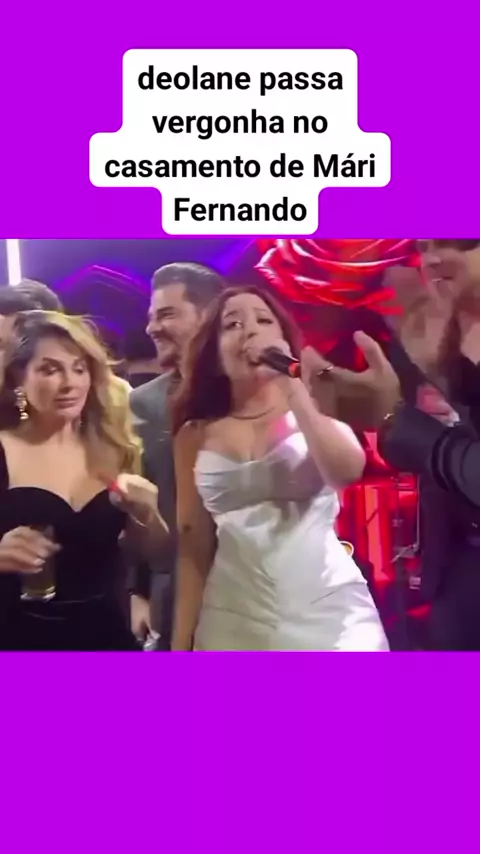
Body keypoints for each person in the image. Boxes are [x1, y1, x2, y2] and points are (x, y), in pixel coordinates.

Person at [171, 286, 389, 651]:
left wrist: (294, 388)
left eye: (263, 320)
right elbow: (193, 544)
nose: (250, 331)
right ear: (215, 355)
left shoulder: (315, 406)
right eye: (232, 324)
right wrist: (180, 643)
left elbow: (347, 471)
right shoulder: (194, 434)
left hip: (330, 611)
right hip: (232, 614)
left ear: (284, 339)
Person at [0, 310, 168, 650]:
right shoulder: (4, 448)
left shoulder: (115, 448)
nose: (70, 383)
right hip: (17, 636)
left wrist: (148, 514)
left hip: (105, 635)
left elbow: (159, 554)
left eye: (79, 368)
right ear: (18, 377)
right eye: (50, 369)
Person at [129, 262, 225, 647]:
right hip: (174, 594)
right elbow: (137, 504)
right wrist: (137, 591)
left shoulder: (254, 393)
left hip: (255, 583)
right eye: (151, 317)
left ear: (210, 315)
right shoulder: (142, 404)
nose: (152, 328)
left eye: (167, 314)